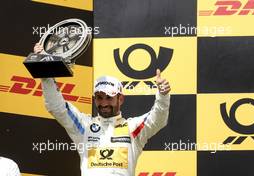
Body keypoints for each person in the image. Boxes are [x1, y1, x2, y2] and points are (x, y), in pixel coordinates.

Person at [34, 43, 171, 176]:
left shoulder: (132, 128)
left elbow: (157, 119)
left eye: (109, 97)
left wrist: (163, 95)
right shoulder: (84, 126)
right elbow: (56, 106)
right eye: (99, 97)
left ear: (120, 99)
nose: (104, 103)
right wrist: (45, 70)